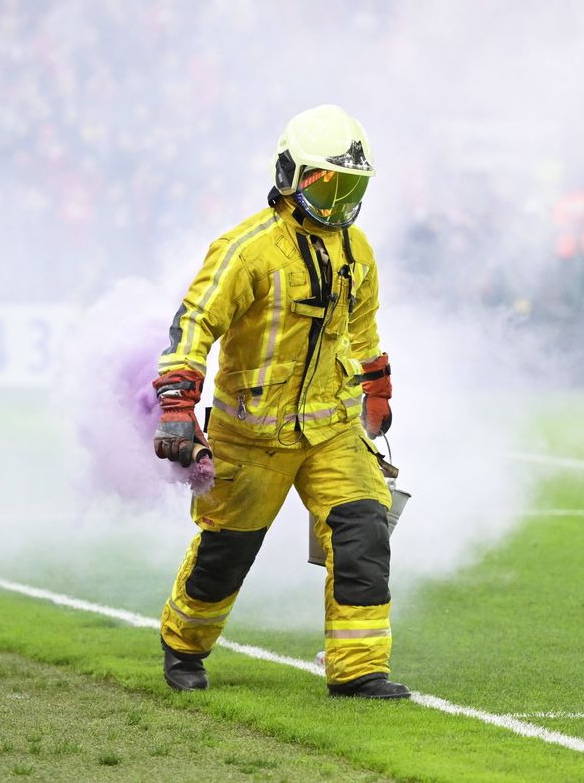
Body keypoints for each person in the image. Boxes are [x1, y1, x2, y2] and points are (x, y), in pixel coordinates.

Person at [152, 105, 409, 699]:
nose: (340, 202)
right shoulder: (246, 249)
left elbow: (362, 329)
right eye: (328, 185)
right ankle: (184, 646)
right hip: (250, 436)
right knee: (226, 553)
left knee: (364, 530)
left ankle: (359, 669)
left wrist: (376, 388)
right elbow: (194, 323)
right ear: (290, 176)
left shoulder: (358, 249)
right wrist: (177, 406)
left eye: (352, 188)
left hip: (333, 428)